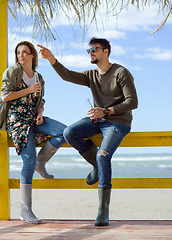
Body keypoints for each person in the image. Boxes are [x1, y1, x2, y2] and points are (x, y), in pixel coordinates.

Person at [38, 37, 138, 226]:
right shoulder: (91, 75)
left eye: (94, 49)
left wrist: (107, 111)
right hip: (97, 120)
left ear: (105, 51)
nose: (91, 53)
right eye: (89, 50)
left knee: (103, 155)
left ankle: (103, 210)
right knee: (69, 132)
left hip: (118, 122)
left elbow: (132, 102)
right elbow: (67, 75)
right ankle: (96, 167)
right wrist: (51, 59)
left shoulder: (121, 72)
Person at [0, 41, 66, 224]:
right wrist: (28, 90)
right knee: (27, 160)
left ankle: (42, 161)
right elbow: (5, 96)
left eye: (24, 52)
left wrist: (40, 113)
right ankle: (26, 210)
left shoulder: (39, 77)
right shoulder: (13, 72)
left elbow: (40, 101)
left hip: (33, 118)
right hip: (17, 120)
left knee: (64, 132)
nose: (20, 56)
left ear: (32, 55)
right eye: (18, 53)